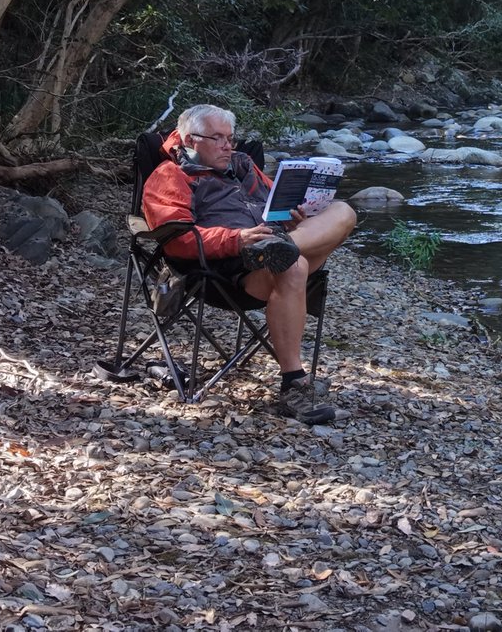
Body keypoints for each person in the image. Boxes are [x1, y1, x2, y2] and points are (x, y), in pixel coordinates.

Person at [142, 104, 356, 424]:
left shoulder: (241, 164)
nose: (228, 146)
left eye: (230, 138)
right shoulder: (170, 174)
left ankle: (279, 248)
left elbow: (274, 204)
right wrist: (237, 240)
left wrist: (297, 214)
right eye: (218, 138)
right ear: (190, 140)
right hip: (224, 268)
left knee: (343, 212)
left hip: (271, 246)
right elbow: (177, 239)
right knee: (292, 266)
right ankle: (293, 383)